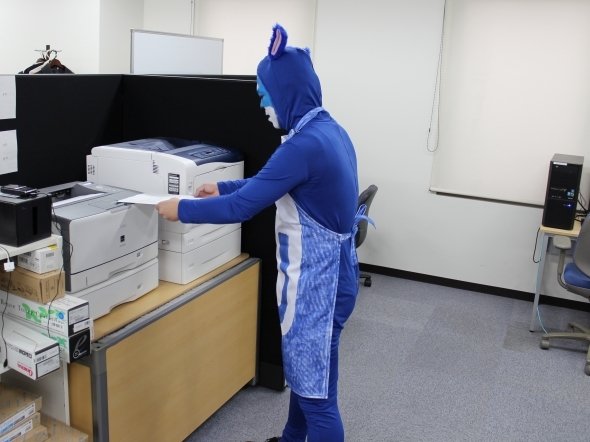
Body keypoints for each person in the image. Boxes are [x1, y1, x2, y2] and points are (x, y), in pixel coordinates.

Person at [156, 24, 362, 442]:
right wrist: (224, 185)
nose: (263, 104)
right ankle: (291, 438)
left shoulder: (302, 146)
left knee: (319, 400)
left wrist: (182, 209)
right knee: (309, 377)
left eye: (265, 94)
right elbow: (275, 183)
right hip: (335, 277)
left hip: (316, 286)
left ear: (286, 91)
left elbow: (243, 207)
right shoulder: (327, 131)